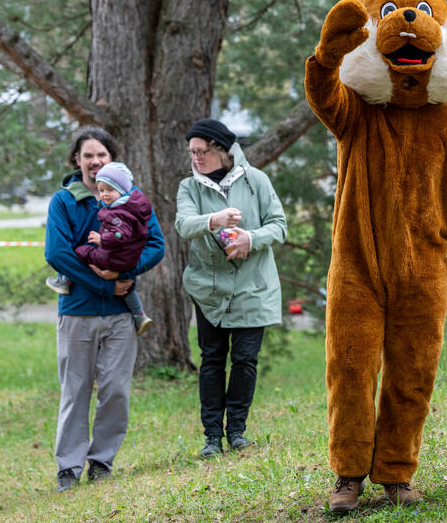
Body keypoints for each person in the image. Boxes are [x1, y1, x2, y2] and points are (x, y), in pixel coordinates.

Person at [45, 126, 165, 492]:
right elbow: (58, 253)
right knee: (75, 390)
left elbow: (155, 245)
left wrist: (126, 271)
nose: (95, 162)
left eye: (102, 155)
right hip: (77, 312)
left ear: (111, 159)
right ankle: (68, 467)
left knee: (115, 389)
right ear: (76, 160)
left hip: (119, 318)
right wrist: (105, 284)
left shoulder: (131, 198)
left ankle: (101, 461)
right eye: (88, 156)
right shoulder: (64, 202)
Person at [175, 118, 287, 458]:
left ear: (223, 151)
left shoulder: (257, 181)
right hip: (209, 289)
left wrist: (250, 239)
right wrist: (216, 219)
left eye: (202, 151)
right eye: (192, 152)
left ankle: (237, 431)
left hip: (254, 286)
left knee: (244, 360)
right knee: (211, 360)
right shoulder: (188, 187)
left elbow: (279, 226)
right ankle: (212, 437)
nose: (196, 158)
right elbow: (183, 224)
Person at [46, 162, 154, 335]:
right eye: (102, 190)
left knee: (83, 251)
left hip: (113, 259)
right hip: (124, 262)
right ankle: (139, 314)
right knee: (129, 287)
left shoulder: (120, 210)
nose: (104, 194)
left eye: (109, 190)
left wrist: (102, 239)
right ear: (77, 158)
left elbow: (129, 237)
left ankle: (64, 280)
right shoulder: (135, 204)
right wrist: (122, 275)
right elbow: (56, 254)